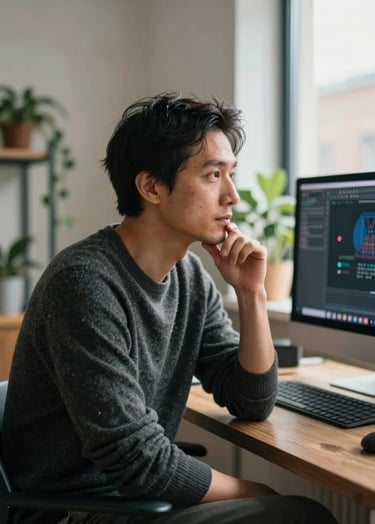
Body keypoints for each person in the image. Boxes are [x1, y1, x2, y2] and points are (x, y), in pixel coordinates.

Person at [2, 93, 338, 524]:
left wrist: (252, 295)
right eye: (213, 175)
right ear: (151, 187)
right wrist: (253, 488)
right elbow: (138, 461)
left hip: (129, 499)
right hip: (78, 511)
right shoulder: (84, 283)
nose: (232, 196)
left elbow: (250, 400)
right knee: (297, 516)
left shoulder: (189, 277)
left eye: (230, 174)